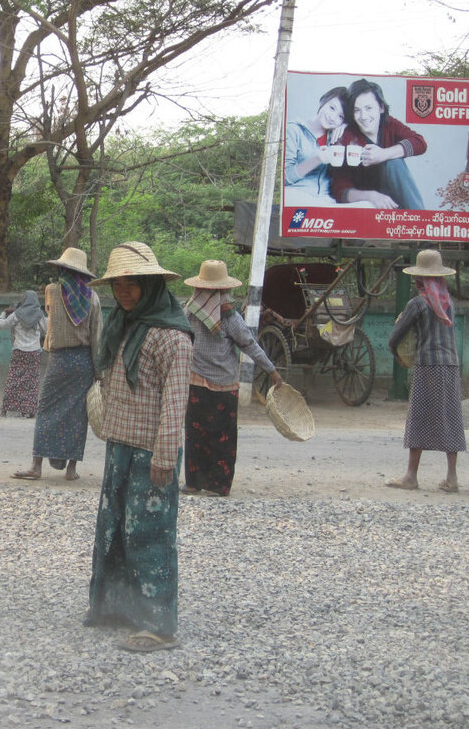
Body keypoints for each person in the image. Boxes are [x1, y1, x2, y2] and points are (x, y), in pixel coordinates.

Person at [83, 242, 194, 653]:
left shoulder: (173, 337)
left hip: (151, 452)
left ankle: (158, 624)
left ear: (150, 286)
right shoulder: (123, 324)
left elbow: (174, 402)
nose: (124, 293)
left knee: (150, 535)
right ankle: (119, 607)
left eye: (133, 285)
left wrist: (165, 458)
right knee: (114, 530)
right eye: (119, 285)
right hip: (120, 446)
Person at [181, 260, 282, 497]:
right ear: (224, 290)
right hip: (223, 386)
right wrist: (272, 371)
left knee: (196, 435)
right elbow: (249, 345)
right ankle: (218, 484)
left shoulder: (189, 312)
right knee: (221, 436)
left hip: (196, 383)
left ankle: (194, 482)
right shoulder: (230, 317)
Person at [13, 247, 103, 482]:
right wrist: (99, 372)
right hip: (83, 361)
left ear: (62, 269)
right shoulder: (93, 298)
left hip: (59, 360)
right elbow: (97, 337)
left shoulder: (52, 290)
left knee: (46, 410)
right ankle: (71, 469)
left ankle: (36, 465)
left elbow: (50, 315)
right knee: (77, 416)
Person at [386, 249, 465, 493]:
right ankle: (452, 477)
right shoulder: (448, 301)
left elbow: (396, 336)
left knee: (418, 417)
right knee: (450, 417)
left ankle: (411, 475)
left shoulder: (418, 303)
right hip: (451, 365)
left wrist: (396, 354)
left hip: (428, 365)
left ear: (419, 278)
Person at [331, 78, 427, 209]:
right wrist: (371, 196)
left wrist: (384, 154)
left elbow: (419, 143)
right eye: (356, 110)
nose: (363, 116)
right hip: (365, 205)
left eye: (369, 108)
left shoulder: (389, 124)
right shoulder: (346, 136)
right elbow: (339, 190)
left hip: (395, 203)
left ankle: (420, 221)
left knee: (395, 162)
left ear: (381, 107)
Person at [283, 86, 348, 205]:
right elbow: (284, 178)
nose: (333, 117)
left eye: (341, 116)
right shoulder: (294, 130)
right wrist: (316, 159)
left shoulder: (336, 136)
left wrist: (346, 127)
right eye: (332, 108)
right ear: (322, 101)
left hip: (326, 200)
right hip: (296, 195)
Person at [0, 290, 47, 418]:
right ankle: (30, 411)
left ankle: (5, 409)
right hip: (34, 353)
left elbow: (0, 325)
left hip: (18, 351)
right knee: (31, 382)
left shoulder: (16, 315)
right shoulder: (39, 316)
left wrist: (4, 313)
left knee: (13, 380)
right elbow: (47, 329)